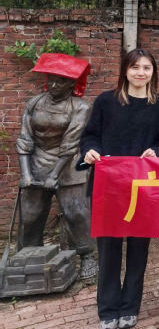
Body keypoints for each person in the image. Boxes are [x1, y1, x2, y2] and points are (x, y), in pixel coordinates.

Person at [79, 49, 159, 329]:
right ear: (125, 70)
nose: (141, 73)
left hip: (144, 188)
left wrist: (156, 151)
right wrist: (90, 151)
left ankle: (130, 306)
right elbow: (90, 136)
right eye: (135, 67)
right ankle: (108, 310)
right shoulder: (106, 101)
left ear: (153, 72)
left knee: (138, 251)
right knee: (108, 250)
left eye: (146, 67)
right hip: (108, 187)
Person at [17, 53, 95, 277]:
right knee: (30, 214)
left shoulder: (80, 107)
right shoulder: (34, 103)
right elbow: (25, 140)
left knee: (76, 212)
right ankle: (29, 254)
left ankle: (87, 256)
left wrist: (54, 176)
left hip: (69, 166)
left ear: (71, 83)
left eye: (60, 82)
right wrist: (26, 173)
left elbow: (70, 144)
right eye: (50, 80)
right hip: (37, 162)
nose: (53, 85)